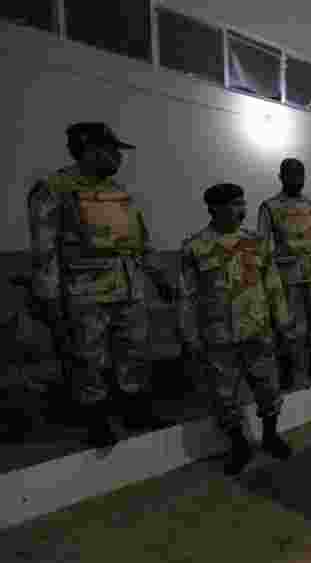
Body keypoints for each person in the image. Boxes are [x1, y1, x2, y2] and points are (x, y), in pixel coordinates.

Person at [26, 122, 177, 446]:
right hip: (85, 292)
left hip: (128, 288)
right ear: (90, 150)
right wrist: (49, 298)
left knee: (134, 351)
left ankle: (134, 411)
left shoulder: (118, 192)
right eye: (112, 151)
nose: (117, 158)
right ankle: (96, 420)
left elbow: (140, 240)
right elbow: (44, 250)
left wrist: (159, 276)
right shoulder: (55, 188)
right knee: (88, 358)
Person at [178, 183, 295, 476]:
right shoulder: (195, 247)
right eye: (234, 204)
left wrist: (282, 323)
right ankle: (239, 445)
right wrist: (189, 336)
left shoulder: (257, 242)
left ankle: (270, 436)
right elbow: (187, 296)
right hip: (219, 338)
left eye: (242, 203)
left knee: (269, 389)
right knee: (224, 398)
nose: (241, 209)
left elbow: (273, 286)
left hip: (258, 332)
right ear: (214, 208)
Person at [257, 158, 311, 388]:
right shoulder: (270, 206)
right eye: (291, 174)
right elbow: (262, 245)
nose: (297, 179)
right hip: (286, 274)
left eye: (300, 175)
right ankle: (287, 367)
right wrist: (264, 275)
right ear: (281, 177)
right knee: (286, 322)